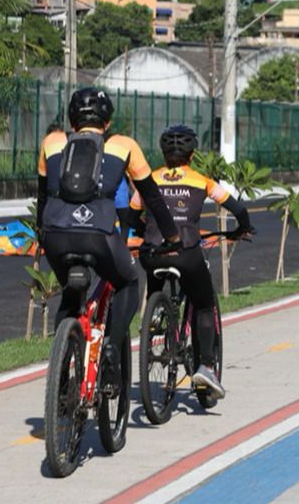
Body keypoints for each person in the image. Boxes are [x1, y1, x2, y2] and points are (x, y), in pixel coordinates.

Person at [37, 88, 181, 388]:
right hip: (98, 234)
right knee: (128, 281)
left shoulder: (51, 142)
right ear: (108, 121)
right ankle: (113, 350)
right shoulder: (124, 145)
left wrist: (43, 236)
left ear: (72, 120)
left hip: (55, 234)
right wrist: (173, 236)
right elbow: (152, 198)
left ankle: (61, 372)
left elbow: (42, 196)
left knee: (70, 292)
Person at [129, 125, 253, 399]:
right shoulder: (202, 180)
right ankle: (206, 367)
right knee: (205, 305)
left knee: (156, 281)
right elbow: (238, 208)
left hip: (153, 254)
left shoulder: (148, 180)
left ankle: (157, 315)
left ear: (163, 153)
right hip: (186, 253)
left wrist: (142, 231)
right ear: (193, 154)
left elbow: (131, 214)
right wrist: (242, 227)